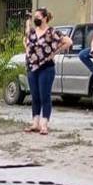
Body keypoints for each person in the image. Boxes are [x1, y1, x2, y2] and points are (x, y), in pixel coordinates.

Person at [23, 8, 71, 136]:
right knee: (35, 96)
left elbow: (68, 42)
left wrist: (54, 52)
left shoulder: (52, 32)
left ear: (45, 18)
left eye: (38, 16)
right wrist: (28, 52)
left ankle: (44, 124)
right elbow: (26, 40)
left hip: (46, 67)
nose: (36, 19)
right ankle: (35, 123)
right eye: (35, 17)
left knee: (45, 95)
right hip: (32, 67)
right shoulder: (33, 32)